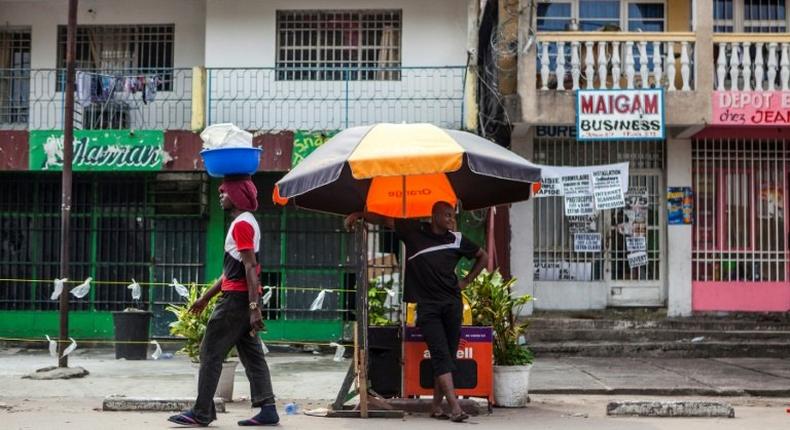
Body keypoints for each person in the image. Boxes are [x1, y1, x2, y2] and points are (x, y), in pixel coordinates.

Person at [345, 201, 487, 423]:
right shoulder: (414, 232)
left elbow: (483, 256)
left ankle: (435, 406)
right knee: (440, 354)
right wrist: (358, 213)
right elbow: (385, 219)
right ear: (435, 216)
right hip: (427, 307)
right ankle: (455, 407)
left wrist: (466, 281)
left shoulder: (457, 239)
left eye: (453, 216)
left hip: (452, 304)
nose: (452, 220)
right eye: (447, 215)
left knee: (448, 356)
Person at [169, 176, 278, 427]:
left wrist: (253, 307)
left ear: (237, 196)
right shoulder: (245, 222)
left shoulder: (241, 224)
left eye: (224, 192)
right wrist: (206, 298)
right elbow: (232, 271)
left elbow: (251, 266)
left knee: (210, 352)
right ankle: (268, 408)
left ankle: (201, 413)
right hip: (240, 298)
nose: (220, 195)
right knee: (252, 355)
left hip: (236, 302)